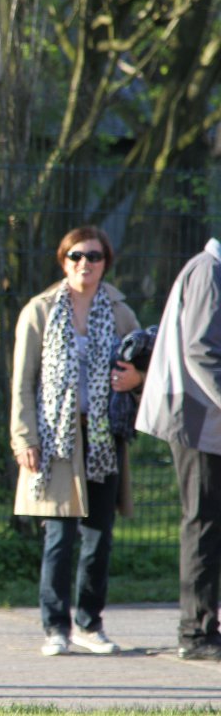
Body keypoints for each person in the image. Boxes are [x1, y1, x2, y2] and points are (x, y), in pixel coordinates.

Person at [10, 227, 142, 657]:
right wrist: (24, 436)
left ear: (107, 262)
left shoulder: (120, 311)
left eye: (95, 256)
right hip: (55, 440)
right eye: (76, 256)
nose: (85, 264)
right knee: (59, 536)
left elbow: (145, 361)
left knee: (99, 536)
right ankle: (55, 627)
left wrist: (134, 378)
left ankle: (89, 622)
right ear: (63, 261)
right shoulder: (40, 310)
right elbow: (22, 382)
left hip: (103, 436)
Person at [137, 237, 221, 661]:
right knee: (202, 521)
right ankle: (197, 634)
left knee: (208, 521)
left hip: (205, 418)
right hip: (197, 419)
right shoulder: (210, 270)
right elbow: (201, 350)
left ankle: (204, 626)